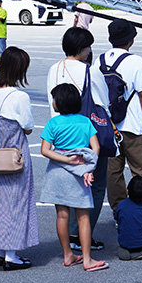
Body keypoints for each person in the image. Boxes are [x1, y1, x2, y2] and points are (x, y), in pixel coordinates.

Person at [46, 27, 111, 252]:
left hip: (60, 136)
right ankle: (83, 234)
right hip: (84, 132)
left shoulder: (54, 68)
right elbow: (103, 103)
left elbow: (51, 101)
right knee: (95, 184)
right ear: (83, 48)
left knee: (68, 189)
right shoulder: (91, 71)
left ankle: (70, 237)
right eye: (88, 46)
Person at [98, 19, 142, 230]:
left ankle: (119, 212)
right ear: (131, 40)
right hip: (133, 125)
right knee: (141, 171)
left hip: (108, 127)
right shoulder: (135, 61)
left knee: (113, 172)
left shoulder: (99, 61)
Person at [39, 84, 107, 271]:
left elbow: (45, 150)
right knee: (83, 216)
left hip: (57, 173)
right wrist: (87, 167)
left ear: (59, 102)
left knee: (62, 215)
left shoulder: (53, 123)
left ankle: (67, 254)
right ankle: (87, 258)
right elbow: (96, 148)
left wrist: (66, 159)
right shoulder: (85, 122)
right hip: (79, 174)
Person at [0, 46, 39, 270]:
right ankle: (12, 255)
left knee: (0, 200)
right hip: (17, 154)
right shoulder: (20, 97)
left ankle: (1, 250)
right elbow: (28, 127)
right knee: (17, 201)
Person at [114, 176, 142, 260]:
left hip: (124, 242)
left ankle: (123, 251)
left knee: (124, 243)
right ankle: (140, 254)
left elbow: (118, 219)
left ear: (128, 191)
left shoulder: (121, 204)